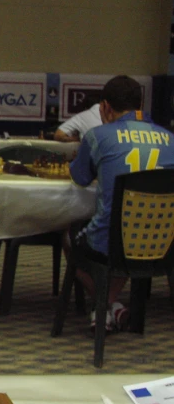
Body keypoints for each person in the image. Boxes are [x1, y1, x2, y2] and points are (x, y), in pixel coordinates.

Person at [69, 75, 174, 331]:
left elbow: (80, 177)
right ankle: (111, 307)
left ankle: (103, 305)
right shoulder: (171, 139)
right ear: (140, 105)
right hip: (161, 244)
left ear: (104, 106)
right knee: (129, 238)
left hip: (112, 242)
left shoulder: (97, 136)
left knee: (70, 234)